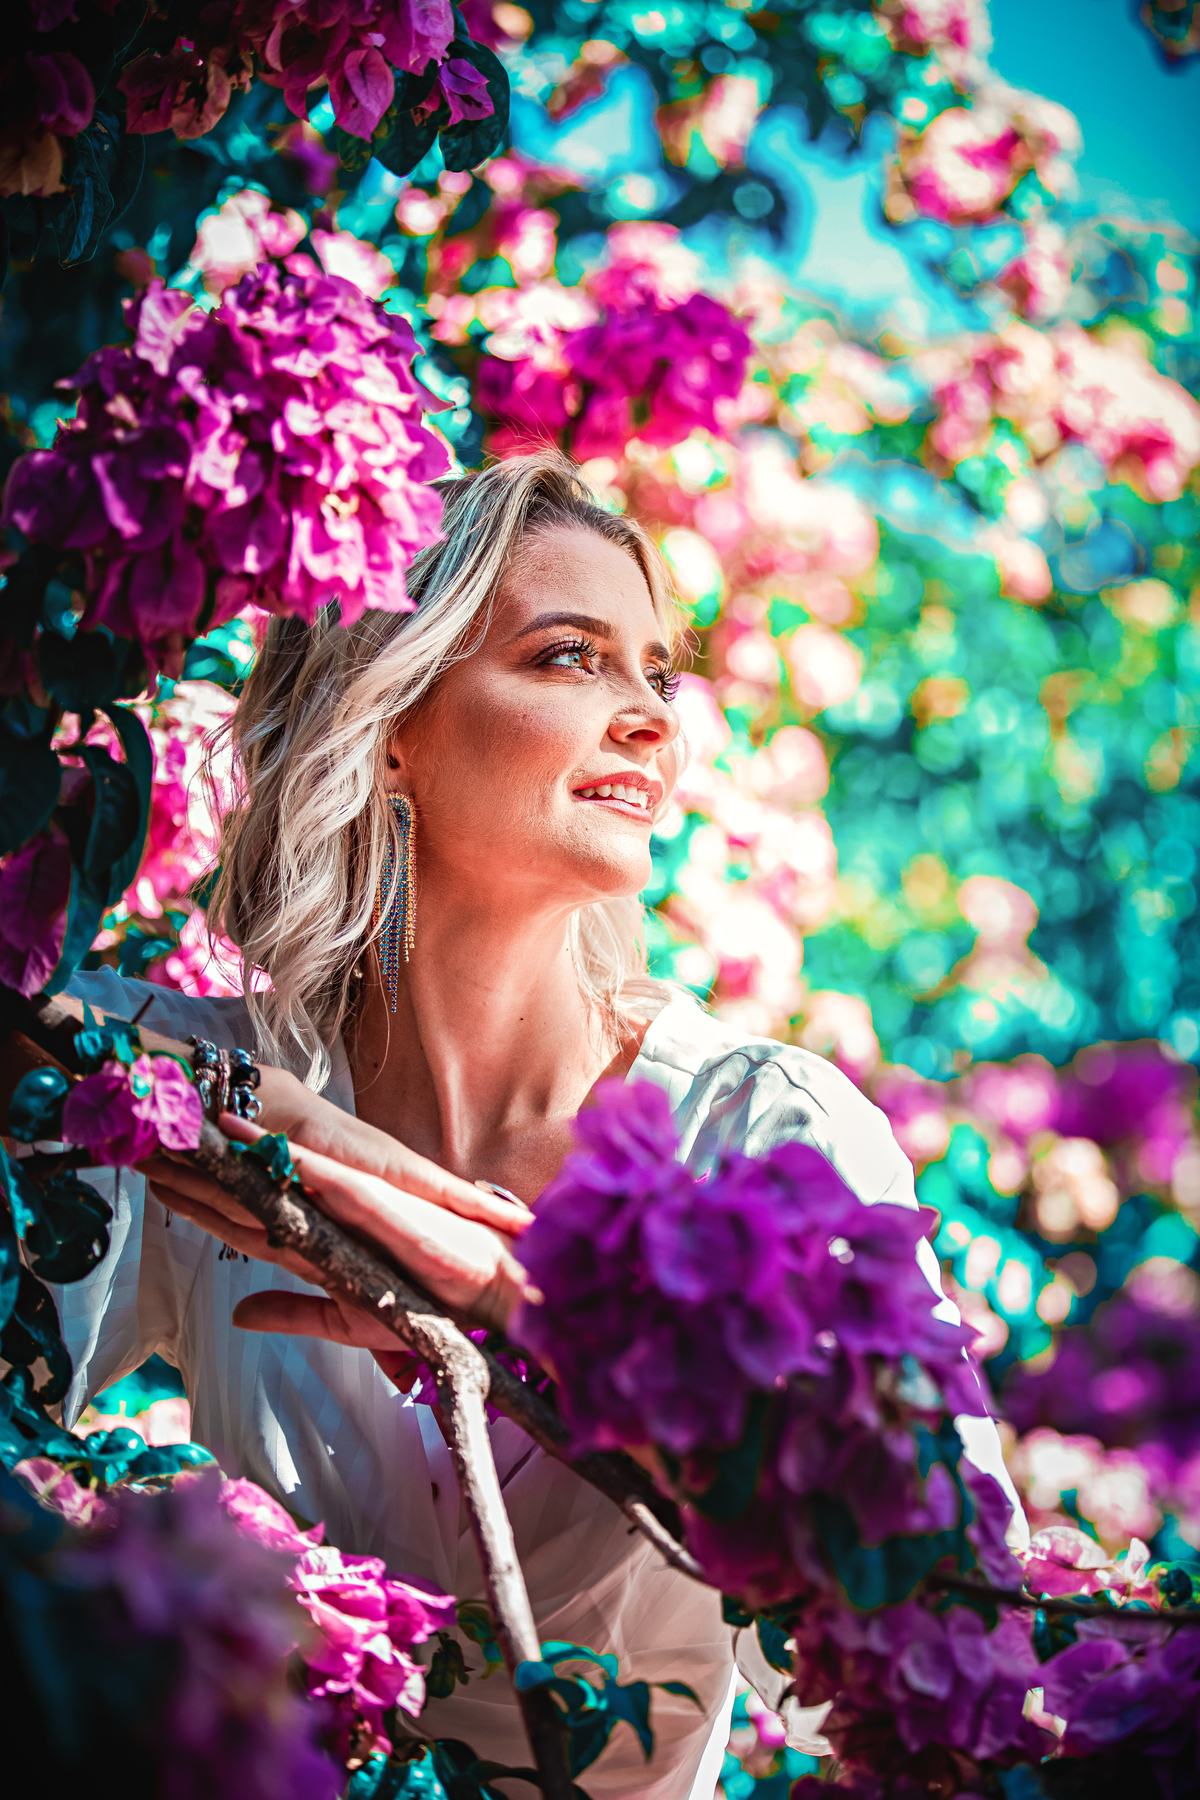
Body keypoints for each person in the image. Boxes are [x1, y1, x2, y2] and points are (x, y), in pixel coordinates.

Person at [56, 452, 1022, 1798]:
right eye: (571, 657)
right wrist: (262, 1114)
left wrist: (526, 1316)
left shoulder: (766, 1139)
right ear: (388, 720)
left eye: (658, 673)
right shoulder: (204, 1103)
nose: (649, 719)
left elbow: (939, 1665)